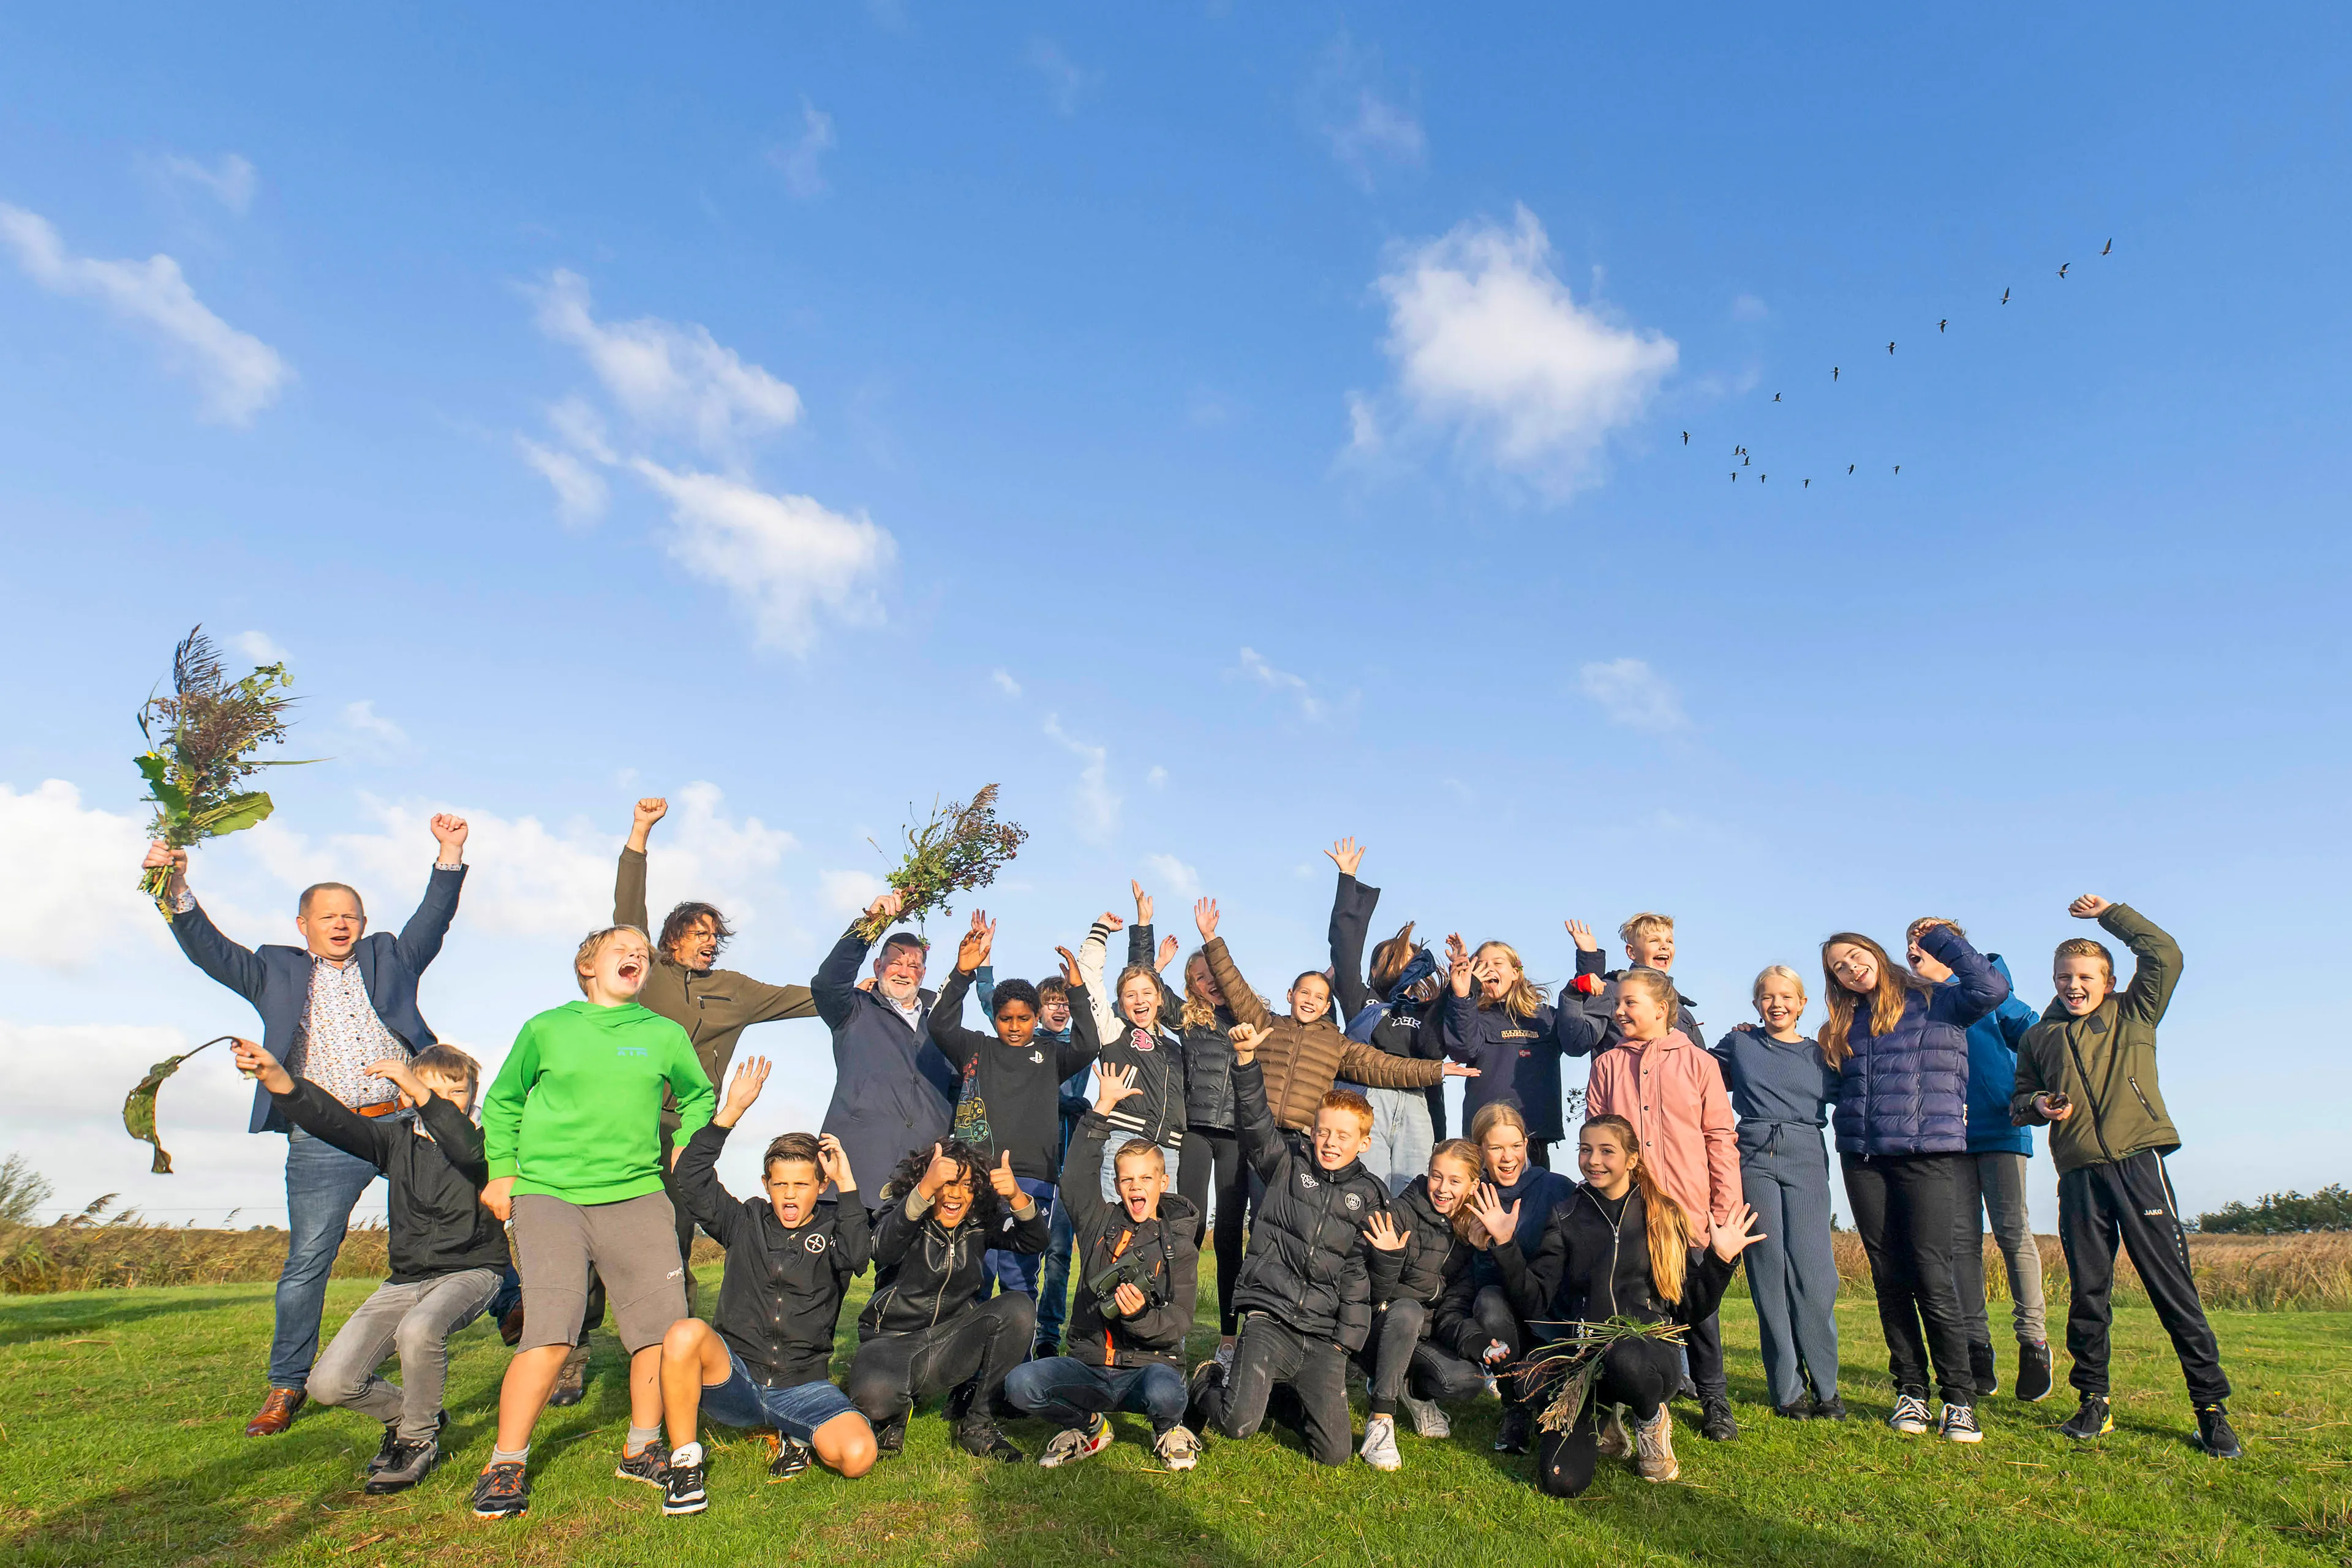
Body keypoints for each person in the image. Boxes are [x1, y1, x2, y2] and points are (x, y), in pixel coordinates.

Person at [141, 815, 470, 1438]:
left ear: (363, 923)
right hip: (325, 1134)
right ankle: (287, 1384)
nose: (342, 923)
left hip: (406, 1122)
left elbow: (435, 917)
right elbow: (209, 948)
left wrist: (450, 852)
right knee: (309, 1258)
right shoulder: (275, 970)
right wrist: (174, 886)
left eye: (351, 914)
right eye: (328, 915)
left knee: (462, 1214)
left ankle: (511, 1307)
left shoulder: (390, 957)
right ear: (304, 925)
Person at [470, 924, 717, 1520]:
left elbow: (700, 1095)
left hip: (637, 1196)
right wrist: (502, 1171)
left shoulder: (664, 1034)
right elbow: (503, 1099)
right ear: (588, 967)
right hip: (551, 1195)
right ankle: (506, 1461)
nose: (635, 956)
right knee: (552, 1332)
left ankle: (642, 1448)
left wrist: (685, 1141)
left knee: (659, 1333)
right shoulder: (547, 1028)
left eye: (642, 953)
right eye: (620, 950)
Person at [2011, 897, 2238, 1458]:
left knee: (2172, 1289)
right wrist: (2040, 1103)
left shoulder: (2134, 1012)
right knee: (2089, 1293)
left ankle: (2211, 1410)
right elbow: (2017, 1101)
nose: (2074, 985)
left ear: (2109, 981)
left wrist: (2110, 914)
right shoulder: (2039, 1037)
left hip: (2139, 1164)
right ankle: (2093, 1400)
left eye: (2086, 976)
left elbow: (2164, 953)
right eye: (2064, 976)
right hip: (2080, 1175)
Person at [229, 1037, 504, 1493]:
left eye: (456, 1092)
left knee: (420, 1330)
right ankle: (415, 1413)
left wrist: (420, 1091)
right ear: (405, 1097)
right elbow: (334, 1121)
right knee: (330, 1384)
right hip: (405, 1280)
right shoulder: (395, 1140)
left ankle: (417, 1440)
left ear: (473, 1095)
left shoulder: (487, 1139)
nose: (444, 1102)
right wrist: (277, 1078)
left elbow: (466, 1152)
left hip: (472, 1271)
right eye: (428, 1090)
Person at [1496, 1115, 1765, 1496]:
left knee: (1624, 1355)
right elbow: (1535, 1300)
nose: (1594, 1161)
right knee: (1562, 1481)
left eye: (1607, 1151)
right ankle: (1610, 1424)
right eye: (1585, 1150)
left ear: (1632, 1159)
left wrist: (1720, 1261)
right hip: (1586, 1361)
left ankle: (1650, 1419)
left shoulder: (1663, 1214)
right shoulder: (1566, 1214)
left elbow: (1689, 1308)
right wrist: (1506, 1247)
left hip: (1649, 1358)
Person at [657, 1056, 876, 1516]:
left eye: (802, 1183)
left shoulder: (838, 1225)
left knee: (858, 1457)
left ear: (821, 1186)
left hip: (802, 1386)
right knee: (683, 1333)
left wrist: (850, 1185)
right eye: (781, 1184)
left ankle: (795, 1435)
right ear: (766, 1184)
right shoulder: (745, 1220)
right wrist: (729, 1114)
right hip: (735, 1381)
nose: (791, 1194)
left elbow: (858, 1257)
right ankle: (684, 1465)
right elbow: (691, 1180)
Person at [616, 796, 821, 1287]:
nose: (709, 940)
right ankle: (576, 1337)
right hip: (627, 1118)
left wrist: (858, 990)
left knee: (675, 1228)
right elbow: (628, 910)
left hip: (686, 1127)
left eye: (714, 934)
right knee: (609, 1221)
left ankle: (674, 1328)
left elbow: (804, 999)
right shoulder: (649, 973)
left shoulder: (735, 988)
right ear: (672, 939)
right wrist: (641, 831)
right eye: (698, 932)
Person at [1821, 925, 2007, 1444]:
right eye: (1839, 966)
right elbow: (1832, 1088)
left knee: (1931, 1273)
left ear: (1875, 954)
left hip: (1930, 1156)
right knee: (1889, 1276)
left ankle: (1959, 1398)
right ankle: (1910, 1390)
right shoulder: (1842, 1026)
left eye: (1855, 956)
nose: (1851, 968)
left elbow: (1992, 990)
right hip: (1864, 1159)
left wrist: (1943, 939)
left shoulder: (1938, 1000)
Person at [1186, 1023, 1395, 1468]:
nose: (1331, 1142)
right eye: (1323, 1132)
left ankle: (1273, 1395)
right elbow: (1257, 1123)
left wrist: (1345, 1344)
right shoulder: (1286, 1165)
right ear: (1313, 1131)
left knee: (1334, 1454)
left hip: (1322, 1337)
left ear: (1364, 1142)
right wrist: (1245, 1062)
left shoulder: (1373, 1196)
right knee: (1237, 1424)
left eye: (1343, 1135)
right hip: (1271, 1320)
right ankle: (1208, 1381)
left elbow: (1365, 1279)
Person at [1006, 1062, 1204, 1471]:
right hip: (1090, 1367)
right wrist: (1102, 1109)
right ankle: (1092, 1427)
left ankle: (1168, 1429)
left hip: (1149, 1369)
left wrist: (1141, 1317)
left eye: (1146, 1179)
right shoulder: (1098, 1220)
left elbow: (1182, 1320)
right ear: (1117, 1184)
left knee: (1167, 1395)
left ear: (1162, 1183)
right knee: (1020, 1384)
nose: (1136, 1187)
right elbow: (1076, 1179)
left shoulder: (1180, 1244)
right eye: (1127, 1179)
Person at [1585, 967, 1742, 1441]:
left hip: (1689, 1208)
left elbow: (1719, 1137)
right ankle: (1646, 1396)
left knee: (1701, 1307)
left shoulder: (1699, 1063)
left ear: (1661, 1007)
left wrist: (1725, 1209)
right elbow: (1597, 1140)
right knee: (1637, 1305)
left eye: (1628, 1002)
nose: (1619, 1011)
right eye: (1617, 1003)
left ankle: (1715, 1399)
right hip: (1629, 1210)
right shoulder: (1607, 1064)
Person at [1906, 916, 2052, 1404]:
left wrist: (2036, 1093)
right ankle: (1976, 1345)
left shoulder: (1989, 989)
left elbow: (2033, 1032)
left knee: (2012, 1231)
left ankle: (2033, 1342)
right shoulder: (1917, 1001)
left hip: (2001, 1122)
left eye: (1925, 941)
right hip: (1948, 1134)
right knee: (1961, 1241)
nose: (1914, 949)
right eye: (1910, 942)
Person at [927, 913, 1100, 1307]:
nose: (1016, 1026)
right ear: (996, 1019)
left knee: (1020, 1281)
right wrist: (962, 974)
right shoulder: (977, 1049)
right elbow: (939, 1025)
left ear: (1036, 1018)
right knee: (975, 1278)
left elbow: (1089, 1045)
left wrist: (1076, 989)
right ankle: (972, 1365)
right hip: (977, 1178)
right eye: (1006, 1019)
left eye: (1025, 1018)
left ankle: (1018, 1368)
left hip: (1033, 1181)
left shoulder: (1051, 1055)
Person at [1193, 896, 1466, 1137]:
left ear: (1327, 1007)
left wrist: (1438, 1069)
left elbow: (1383, 1066)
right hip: (1258, 1130)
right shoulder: (1269, 1025)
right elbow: (1236, 988)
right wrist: (1211, 939)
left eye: (1319, 997)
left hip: (1302, 1136)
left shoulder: (1335, 1043)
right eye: (1305, 993)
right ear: (1290, 994)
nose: (1310, 1001)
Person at [846, 1140, 1047, 1461]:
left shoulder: (978, 1223)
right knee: (874, 1402)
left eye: (966, 1186)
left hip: (950, 1342)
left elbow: (1035, 1241)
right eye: (947, 1183)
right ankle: (895, 1416)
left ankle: (978, 1425)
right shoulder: (903, 1210)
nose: (956, 1194)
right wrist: (926, 1188)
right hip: (891, 1343)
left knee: (1019, 1308)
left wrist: (1016, 1196)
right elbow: (881, 1250)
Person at [1712, 967, 1844, 1419]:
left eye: (1786, 996)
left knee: (1816, 1274)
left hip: (1806, 1150)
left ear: (1802, 1003)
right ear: (1755, 1005)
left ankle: (1827, 1387)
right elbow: (1696, 1074)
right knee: (1768, 1271)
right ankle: (1788, 1390)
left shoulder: (1821, 1054)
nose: (1776, 1004)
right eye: (1767, 997)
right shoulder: (1740, 1044)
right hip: (1752, 1151)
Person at [812, 892, 957, 1208]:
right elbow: (827, 984)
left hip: (918, 1182)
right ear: (878, 965)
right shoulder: (854, 1009)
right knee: (843, 1259)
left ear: (923, 973)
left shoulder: (943, 1024)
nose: (904, 971)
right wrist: (868, 927)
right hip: (852, 1176)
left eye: (914, 965)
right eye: (895, 962)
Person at [1325, 839, 1455, 1193]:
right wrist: (1348, 879)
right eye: (1391, 958)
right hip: (1369, 1099)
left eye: (1408, 959)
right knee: (1366, 1191)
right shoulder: (1360, 999)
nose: (1399, 965)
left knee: (1412, 1194)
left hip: (1418, 1103)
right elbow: (1345, 948)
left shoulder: (1428, 1008)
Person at [1354, 1138, 1490, 1468]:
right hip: (1379, 1330)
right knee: (1408, 1310)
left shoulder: (1470, 1231)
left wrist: (1480, 1345)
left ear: (1473, 1185)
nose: (1442, 1188)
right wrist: (1389, 1259)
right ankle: (1380, 1419)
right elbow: (1366, 1291)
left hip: (1425, 1335)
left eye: (1455, 1181)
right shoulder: (1400, 1212)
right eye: (1436, 1176)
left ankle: (1413, 1390)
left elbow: (1452, 1310)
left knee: (1465, 1381)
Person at [1459, 1100, 1573, 1453]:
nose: (1508, 1157)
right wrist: (1482, 1249)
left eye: (1515, 1146)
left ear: (1528, 1145)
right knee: (1489, 1302)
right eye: (1496, 1148)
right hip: (1508, 1318)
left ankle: (1555, 1391)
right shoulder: (1471, 1196)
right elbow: (1479, 1286)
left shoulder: (1558, 1188)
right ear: (1480, 1150)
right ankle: (1515, 1406)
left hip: (1556, 1316)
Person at [1440, 930, 1604, 1170]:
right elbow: (1463, 1050)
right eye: (1482, 965)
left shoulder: (1547, 1017)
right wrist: (1465, 994)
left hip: (1534, 1137)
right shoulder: (1471, 1016)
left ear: (1516, 973)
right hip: (1485, 1138)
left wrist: (1589, 959)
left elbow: (1578, 1040)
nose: (1489, 969)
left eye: (1498, 963)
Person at [1074, 900, 1189, 1197]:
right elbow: (1089, 983)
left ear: (1160, 999)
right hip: (1124, 1141)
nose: (1140, 1001)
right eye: (1130, 995)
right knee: (1118, 1232)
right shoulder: (1114, 1031)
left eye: (1147, 993)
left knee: (1158, 1233)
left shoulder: (1174, 1048)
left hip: (1169, 1151)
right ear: (1121, 1002)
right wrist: (1100, 931)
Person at [1030, 971, 1090, 1358]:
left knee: (1059, 1254)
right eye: (1052, 1001)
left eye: (1066, 1002)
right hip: (1031, 1161)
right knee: (1020, 1252)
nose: (1060, 1008)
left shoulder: (1080, 1044)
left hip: (1069, 1162)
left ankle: (1048, 1335)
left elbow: (1107, 1013)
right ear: (1038, 1007)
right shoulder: (1028, 1043)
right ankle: (1012, 1328)